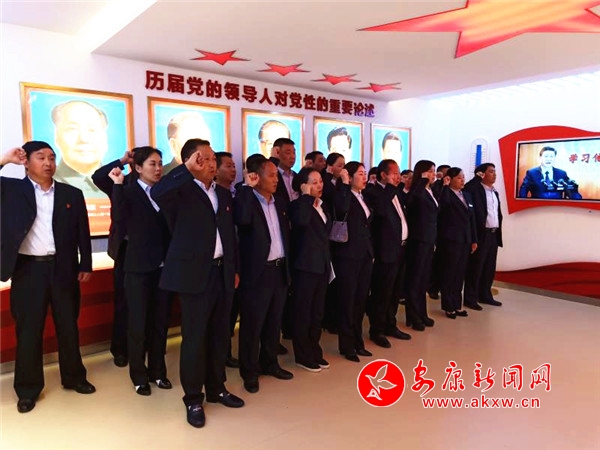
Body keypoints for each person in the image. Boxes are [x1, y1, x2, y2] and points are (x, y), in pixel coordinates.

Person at [150, 138, 244, 428]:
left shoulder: (222, 193)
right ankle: (193, 398)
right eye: (204, 158)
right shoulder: (180, 191)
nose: (211, 163)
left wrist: (234, 269)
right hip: (194, 276)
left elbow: (229, 236)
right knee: (194, 338)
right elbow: (157, 192)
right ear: (191, 160)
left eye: (213, 158)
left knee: (220, 334)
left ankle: (217, 388)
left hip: (222, 273)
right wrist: (185, 169)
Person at [1, 142, 95, 414]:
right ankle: (27, 389)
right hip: (28, 270)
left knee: (68, 326)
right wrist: (4, 159)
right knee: (29, 331)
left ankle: (74, 377)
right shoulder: (11, 190)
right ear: (26, 162)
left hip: (63, 268)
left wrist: (86, 263)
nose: (48, 163)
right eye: (40, 157)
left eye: (52, 158)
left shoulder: (71, 193)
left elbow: (82, 231)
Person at [108, 147, 172, 395]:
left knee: (160, 322)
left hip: (163, 268)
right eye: (152, 164)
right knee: (137, 323)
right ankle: (138, 375)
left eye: (160, 163)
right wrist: (117, 186)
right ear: (137, 168)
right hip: (137, 268)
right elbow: (119, 218)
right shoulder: (128, 191)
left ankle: (158, 371)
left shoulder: (165, 192)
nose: (158, 169)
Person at [234, 158, 294, 394]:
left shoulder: (279, 202)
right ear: (256, 177)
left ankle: (270, 363)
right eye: (271, 175)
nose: (276, 179)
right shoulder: (246, 199)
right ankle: (249, 372)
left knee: (273, 322)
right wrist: (246, 189)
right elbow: (242, 219)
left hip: (279, 269)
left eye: (276, 175)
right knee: (252, 325)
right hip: (257, 273)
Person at [92, 149, 136, 368]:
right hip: (126, 250)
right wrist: (122, 160)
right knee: (124, 302)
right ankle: (120, 349)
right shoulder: (122, 182)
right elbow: (98, 177)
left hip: (152, 251)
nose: (156, 168)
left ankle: (144, 345)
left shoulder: (159, 186)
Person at [289, 167, 334, 372]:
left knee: (317, 313)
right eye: (314, 182)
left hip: (322, 265)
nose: (319, 185)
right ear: (304, 186)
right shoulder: (298, 206)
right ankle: (303, 355)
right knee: (303, 313)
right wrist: (306, 198)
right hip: (305, 267)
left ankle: (315, 350)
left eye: (320, 181)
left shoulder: (322, 206)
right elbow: (302, 222)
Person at [363, 159, 412, 349]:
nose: (398, 177)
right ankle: (377, 330)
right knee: (381, 293)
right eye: (394, 173)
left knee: (395, 292)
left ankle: (391, 325)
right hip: (385, 251)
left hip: (401, 249)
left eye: (399, 173)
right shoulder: (373, 192)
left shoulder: (396, 192)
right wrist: (391, 188)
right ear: (383, 175)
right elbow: (381, 212)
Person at [331, 162, 374, 363]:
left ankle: (358, 341)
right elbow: (341, 209)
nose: (364, 177)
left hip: (364, 254)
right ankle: (347, 345)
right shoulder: (342, 193)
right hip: (347, 255)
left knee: (360, 299)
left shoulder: (362, 196)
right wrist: (344, 183)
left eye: (365, 174)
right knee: (347, 301)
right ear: (349, 176)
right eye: (360, 174)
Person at [437, 167, 477, 319]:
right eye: (459, 177)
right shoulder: (445, 193)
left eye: (463, 177)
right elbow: (443, 207)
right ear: (450, 179)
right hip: (451, 240)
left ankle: (457, 304)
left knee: (460, 273)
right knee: (449, 273)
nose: (462, 180)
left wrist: (474, 239)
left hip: (465, 239)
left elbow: (472, 219)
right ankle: (448, 306)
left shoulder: (467, 195)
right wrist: (445, 186)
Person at [404, 160, 438, 331]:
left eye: (434, 171)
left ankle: (422, 313)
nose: (433, 174)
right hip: (418, 240)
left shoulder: (429, 190)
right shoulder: (417, 190)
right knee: (415, 279)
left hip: (429, 239)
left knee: (424, 278)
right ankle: (413, 316)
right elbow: (412, 202)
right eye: (430, 171)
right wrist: (423, 180)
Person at [463, 163, 504, 310]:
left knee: (489, 267)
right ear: (481, 174)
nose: (494, 174)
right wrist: (476, 178)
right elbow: (467, 188)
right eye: (491, 171)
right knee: (476, 267)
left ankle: (485, 295)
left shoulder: (494, 192)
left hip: (493, 234)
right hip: (481, 234)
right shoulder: (475, 189)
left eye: (494, 171)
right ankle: (470, 298)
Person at [52, 100, 109, 198]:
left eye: (92, 130)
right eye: (72, 129)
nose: (84, 139)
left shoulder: (118, 182)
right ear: (57, 137)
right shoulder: (46, 183)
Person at [215, 151, 240, 368]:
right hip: (219, 264)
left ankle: (225, 353)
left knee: (230, 312)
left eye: (234, 166)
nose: (233, 169)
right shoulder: (214, 195)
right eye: (228, 166)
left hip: (237, 262)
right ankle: (218, 356)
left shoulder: (239, 192)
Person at [428, 163, 451, 300]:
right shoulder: (435, 186)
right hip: (436, 230)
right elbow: (440, 202)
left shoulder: (450, 187)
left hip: (446, 230)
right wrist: (443, 184)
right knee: (436, 261)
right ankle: (433, 287)